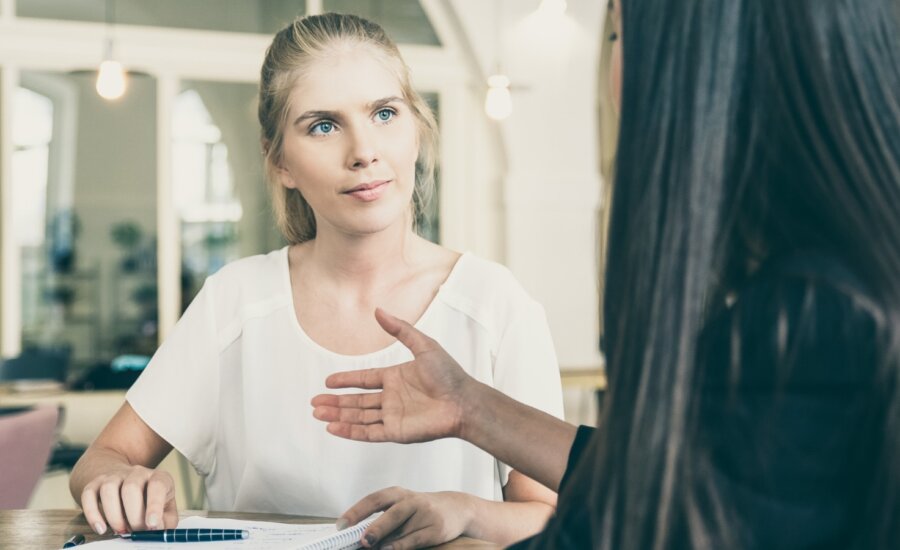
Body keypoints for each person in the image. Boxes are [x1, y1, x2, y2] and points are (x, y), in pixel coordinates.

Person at [312, 0, 900, 547]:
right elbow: (680, 482)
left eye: (618, 31)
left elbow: (637, 520)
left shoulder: (805, 330)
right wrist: (472, 407)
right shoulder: (834, 297)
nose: (613, 80)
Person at [69, 13, 564, 548]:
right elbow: (102, 458)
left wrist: (465, 511)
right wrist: (120, 481)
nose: (363, 151)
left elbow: (550, 514)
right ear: (279, 159)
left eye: (384, 113)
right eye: (323, 125)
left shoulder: (497, 305)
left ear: (416, 129)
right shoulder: (234, 301)